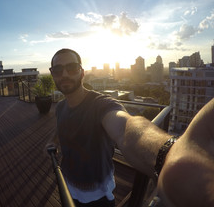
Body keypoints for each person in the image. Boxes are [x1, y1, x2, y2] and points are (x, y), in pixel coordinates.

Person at [46, 48, 214, 207]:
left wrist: (166, 154)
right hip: (67, 184)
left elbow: (126, 128)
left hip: (98, 195)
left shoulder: (100, 104)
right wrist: (53, 141)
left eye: (72, 68)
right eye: (58, 70)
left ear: (82, 72)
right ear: (53, 75)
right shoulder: (61, 107)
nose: (65, 74)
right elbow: (62, 126)